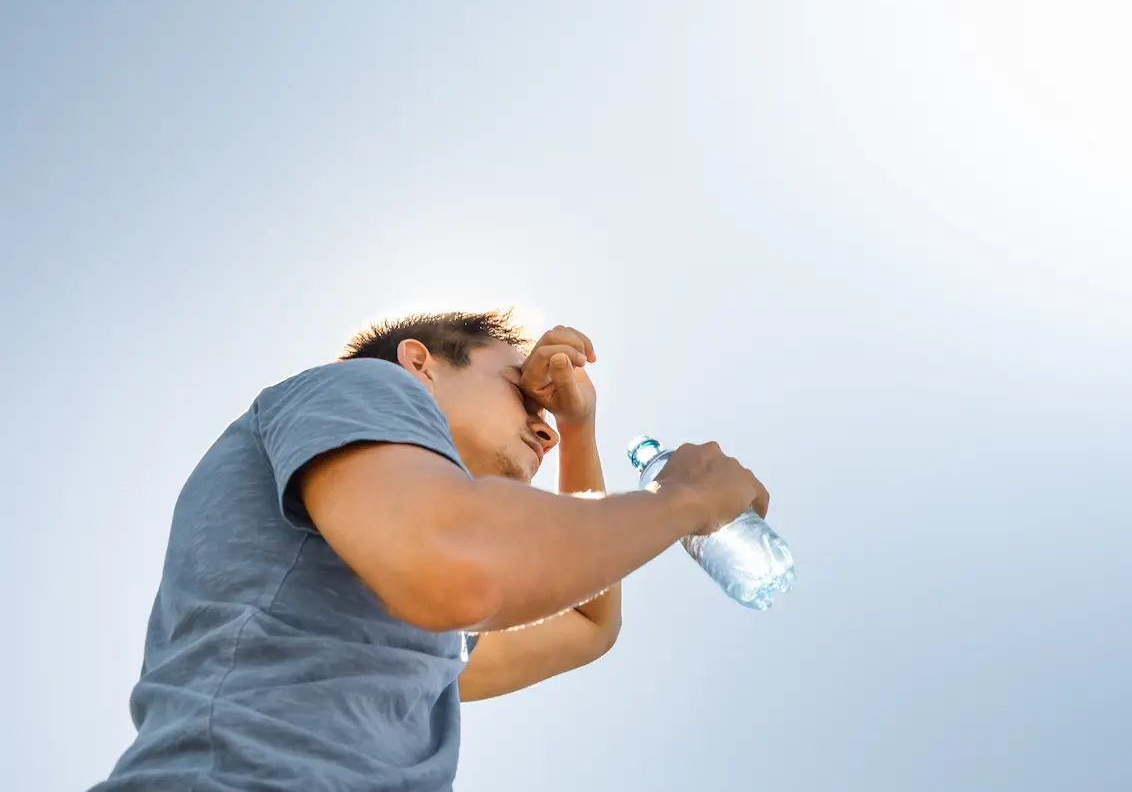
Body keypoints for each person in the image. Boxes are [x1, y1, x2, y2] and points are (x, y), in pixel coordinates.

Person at [91, 309, 770, 792]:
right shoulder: (363, 386)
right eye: (520, 386)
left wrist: (578, 424)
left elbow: (589, 624)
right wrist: (682, 500)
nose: (544, 422)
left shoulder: (396, 582)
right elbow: (459, 565)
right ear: (420, 364)